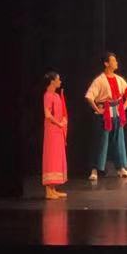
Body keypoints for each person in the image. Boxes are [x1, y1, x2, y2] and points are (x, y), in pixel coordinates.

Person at [86, 51, 127, 181]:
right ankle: (94, 170)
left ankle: (121, 168)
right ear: (106, 63)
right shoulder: (99, 80)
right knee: (101, 142)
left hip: (117, 113)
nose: (116, 62)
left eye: (115, 60)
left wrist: (123, 107)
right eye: (113, 60)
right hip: (104, 114)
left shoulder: (119, 79)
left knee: (119, 140)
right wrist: (97, 109)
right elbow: (89, 96)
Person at [42, 70, 68, 199]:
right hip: (52, 131)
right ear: (52, 81)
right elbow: (47, 114)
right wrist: (59, 123)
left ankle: (53, 189)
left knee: (57, 157)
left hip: (58, 131)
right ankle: (48, 191)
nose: (60, 81)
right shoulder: (47, 95)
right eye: (58, 79)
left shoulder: (57, 96)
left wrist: (63, 121)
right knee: (51, 157)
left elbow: (60, 112)